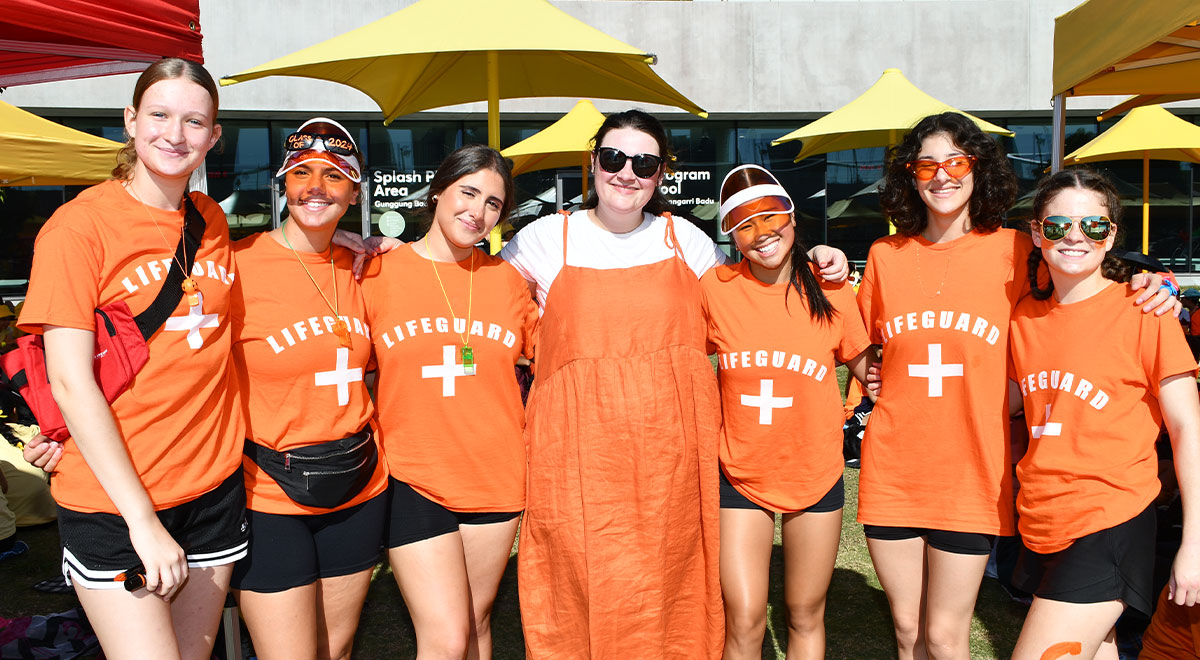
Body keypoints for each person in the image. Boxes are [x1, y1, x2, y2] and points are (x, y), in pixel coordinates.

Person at [499, 109, 848, 659]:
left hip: (670, 460)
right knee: (581, 585)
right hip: (578, 461)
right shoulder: (545, 238)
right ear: (593, 163)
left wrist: (817, 261)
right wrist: (396, 250)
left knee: (669, 584)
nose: (627, 173)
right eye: (614, 158)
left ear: (661, 175)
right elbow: (474, 293)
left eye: (645, 163)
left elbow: (753, 294)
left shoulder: (685, 239)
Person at [858, 112, 1179, 660]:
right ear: (909, 175)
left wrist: (1156, 281)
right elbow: (856, 341)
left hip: (976, 470)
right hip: (895, 465)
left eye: (956, 161)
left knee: (942, 635)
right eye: (927, 163)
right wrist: (867, 365)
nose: (942, 175)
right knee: (908, 632)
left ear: (978, 170)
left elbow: (1082, 262)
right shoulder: (885, 257)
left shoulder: (1017, 250)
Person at [16, 58, 245, 660]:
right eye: (160, 115)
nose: (176, 134)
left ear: (214, 135)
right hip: (117, 502)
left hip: (212, 487)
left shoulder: (212, 220)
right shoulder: (78, 227)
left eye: (195, 121)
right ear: (129, 121)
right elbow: (69, 379)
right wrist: (143, 522)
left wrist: (350, 240)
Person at [1007, 168, 1200, 660]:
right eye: (1056, 226)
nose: (1074, 237)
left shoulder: (1145, 310)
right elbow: (1001, 400)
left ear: (1111, 234)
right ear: (1035, 231)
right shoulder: (1023, 317)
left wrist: (1194, 543)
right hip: (1042, 518)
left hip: (1111, 518)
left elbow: (1187, 430)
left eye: (1092, 225)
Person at [360, 144, 536, 660]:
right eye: (468, 192)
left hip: (495, 476)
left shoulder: (509, 281)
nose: (477, 212)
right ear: (438, 190)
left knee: (478, 621)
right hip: (414, 475)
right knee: (446, 634)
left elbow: (553, 355)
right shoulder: (376, 272)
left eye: (494, 204)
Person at [229, 118, 388, 660]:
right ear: (282, 183)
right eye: (301, 173)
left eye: (333, 175)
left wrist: (380, 243)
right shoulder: (236, 265)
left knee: (336, 650)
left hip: (359, 486)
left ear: (354, 191)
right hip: (269, 489)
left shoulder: (369, 267)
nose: (316, 186)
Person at [701, 164, 871, 659]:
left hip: (814, 472)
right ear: (731, 236)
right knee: (746, 617)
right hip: (737, 472)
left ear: (793, 218)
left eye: (770, 217)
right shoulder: (715, 287)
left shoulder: (830, 285)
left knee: (804, 612)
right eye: (744, 224)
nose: (761, 233)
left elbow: (868, 368)